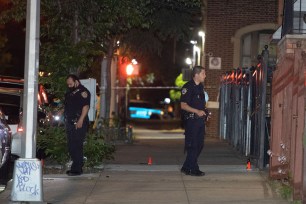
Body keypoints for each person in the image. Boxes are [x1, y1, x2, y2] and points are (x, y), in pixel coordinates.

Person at [180, 66, 207, 176]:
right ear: (196, 75)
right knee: (193, 145)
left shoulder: (200, 87)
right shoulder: (187, 87)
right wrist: (196, 111)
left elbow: (201, 104)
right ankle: (193, 169)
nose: (205, 76)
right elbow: (183, 105)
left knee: (200, 145)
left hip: (200, 121)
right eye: (203, 73)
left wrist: (205, 113)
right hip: (191, 121)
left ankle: (186, 167)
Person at [64, 74, 90, 176]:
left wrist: (80, 120)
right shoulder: (71, 93)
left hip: (78, 122)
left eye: (71, 84)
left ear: (76, 81)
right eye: (68, 84)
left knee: (77, 145)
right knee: (71, 146)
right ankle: (75, 166)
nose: (69, 86)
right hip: (70, 122)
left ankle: (77, 169)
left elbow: (86, 107)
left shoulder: (83, 92)